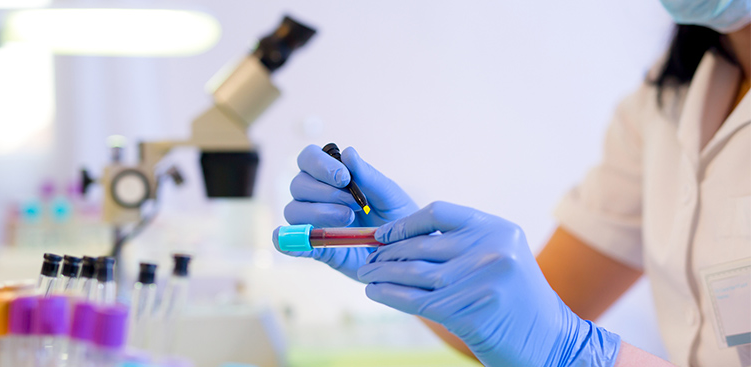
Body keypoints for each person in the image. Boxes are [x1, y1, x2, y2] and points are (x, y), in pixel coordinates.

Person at [273, 0, 751, 365]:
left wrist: (573, 352)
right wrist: (403, 258)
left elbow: (548, 336)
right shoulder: (668, 101)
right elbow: (510, 318)